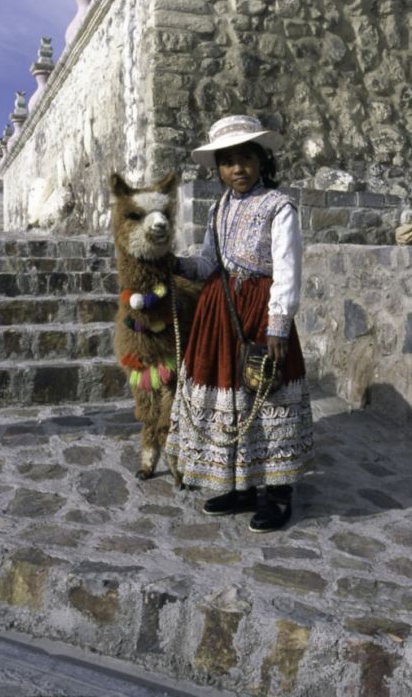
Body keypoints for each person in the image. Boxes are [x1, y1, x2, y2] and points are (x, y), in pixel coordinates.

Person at [166, 114, 314, 533]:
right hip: (220, 315)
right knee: (230, 397)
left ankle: (279, 493)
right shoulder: (219, 209)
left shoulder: (279, 207)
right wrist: (176, 265)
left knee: (266, 395)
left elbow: (287, 268)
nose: (238, 168)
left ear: (261, 160)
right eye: (228, 162)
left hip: (260, 312)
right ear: (218, 169)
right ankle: (242, 486)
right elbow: (208, 264)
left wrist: (278, 323)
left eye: (246, 158)